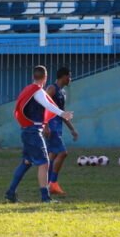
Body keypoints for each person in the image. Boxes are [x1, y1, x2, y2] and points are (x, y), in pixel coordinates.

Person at [5, 66, 73, 204]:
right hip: (33, 132)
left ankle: (11, 192)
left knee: (26, 162)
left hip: (26, 131)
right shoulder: (37, 91)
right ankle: (45, 198)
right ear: (45, 77)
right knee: (44, 163)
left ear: (33, 76)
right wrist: (62, 113)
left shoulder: (27, 89)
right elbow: (47, 104)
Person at [44, 67, 78, 197]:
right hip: (52, 127)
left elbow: (62, 113)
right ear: (63, 77)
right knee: (63, 153)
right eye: (69, 76)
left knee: (52, 155)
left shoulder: (62, 92)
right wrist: (46, 125)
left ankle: (47, 185)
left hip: (58, 126)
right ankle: (53, 183)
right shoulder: (52, 89)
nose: (70, 79)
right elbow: (43, 106)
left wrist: (72, 129)